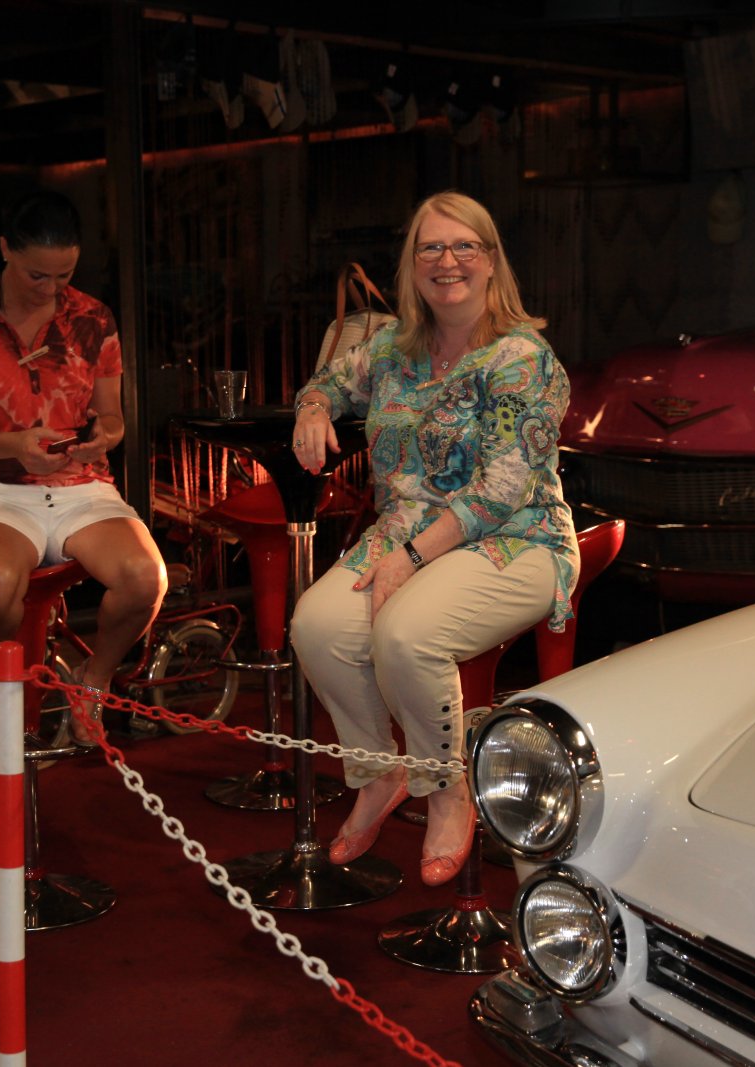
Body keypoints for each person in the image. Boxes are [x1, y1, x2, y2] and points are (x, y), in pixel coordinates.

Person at [289, 191, 580, 885]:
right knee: (316, 626)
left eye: (464, 246)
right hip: (405, 533)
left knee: (406, 633)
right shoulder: (393, 346)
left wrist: (410, 559)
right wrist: (314, 408)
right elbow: (329, 379)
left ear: (490, 261)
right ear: (412, 263)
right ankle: (380, 772)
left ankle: (447, 788)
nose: (447, 261)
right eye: (431, 247)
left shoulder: (521, 357)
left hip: (516, 539)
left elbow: (500, 489)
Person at [0, 190, 166, 747]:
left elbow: (113, 419)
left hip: (80, 487)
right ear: (5, 249)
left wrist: (102, 437)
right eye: (38, 275)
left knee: (145, 579)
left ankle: (93, 679)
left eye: (64, 276)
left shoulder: (92, 318)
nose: (52, 289)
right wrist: (13, 444)